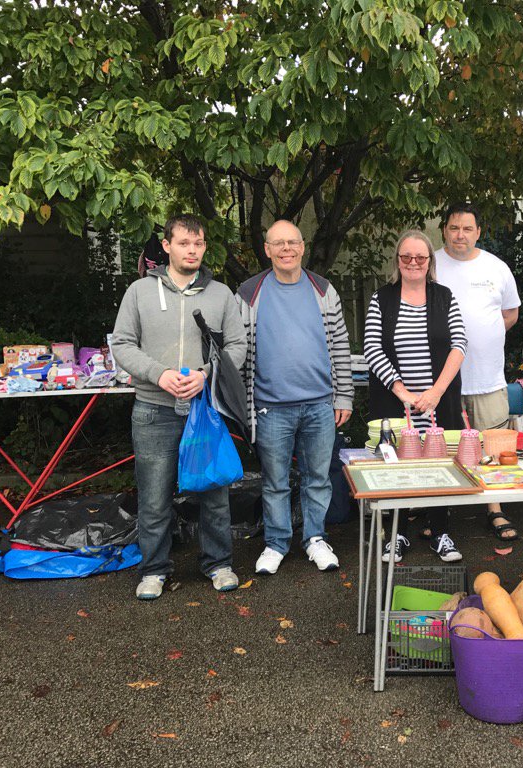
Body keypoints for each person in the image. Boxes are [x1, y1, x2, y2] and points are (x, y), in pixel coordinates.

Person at [111, 213, 247, 600]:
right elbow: (121, 344)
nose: (192, 250)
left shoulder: (221, 294)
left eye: (199, 243)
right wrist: (158, 374)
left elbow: (237, 347)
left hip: (205, 410)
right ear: (167, 245)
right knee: (154, 499)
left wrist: (206, 374)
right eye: (184, 243)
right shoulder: (139, 292)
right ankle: (154, 570)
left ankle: (219, 564)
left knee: (215, 493)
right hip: (154, 409)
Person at [236, 220, 353, 576]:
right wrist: (244, 405)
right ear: (267, 249)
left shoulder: (323, 289)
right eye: (278, 243)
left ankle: (315, 539)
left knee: (318, 478)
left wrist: (344, 396)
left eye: (293, 242)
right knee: (275, 482)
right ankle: (275, 543)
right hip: (270, 407)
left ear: (302, 247)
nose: (286, 249)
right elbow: (237, 352)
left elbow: (341, 346)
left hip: (320, 404)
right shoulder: (249, 292)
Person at [364, 230, 467, 563]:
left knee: (440, 464)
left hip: (438, 401)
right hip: (396, 400)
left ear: (429, 261)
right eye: (406, 257)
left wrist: (436, 392)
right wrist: (403, 392)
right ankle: (396, 535)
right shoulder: (382, 298)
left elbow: (459, 345)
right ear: (398, 261)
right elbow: (371, 347)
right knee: (395, 467)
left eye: (420, 257)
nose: (413, 263)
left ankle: (440, 533)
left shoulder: (445, 296)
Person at [434, 203, 521, 541]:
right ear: (444, 230)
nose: (460, 235)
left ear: (478, 232)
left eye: (467, 229)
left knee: (493, 446)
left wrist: (484, 335)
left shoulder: (496, 267)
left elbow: (510, 314)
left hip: (486, 377)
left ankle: (495, 510)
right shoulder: (432, 264)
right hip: (441, 381)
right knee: (440, 446)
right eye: (454, 228)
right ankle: (438, 511)